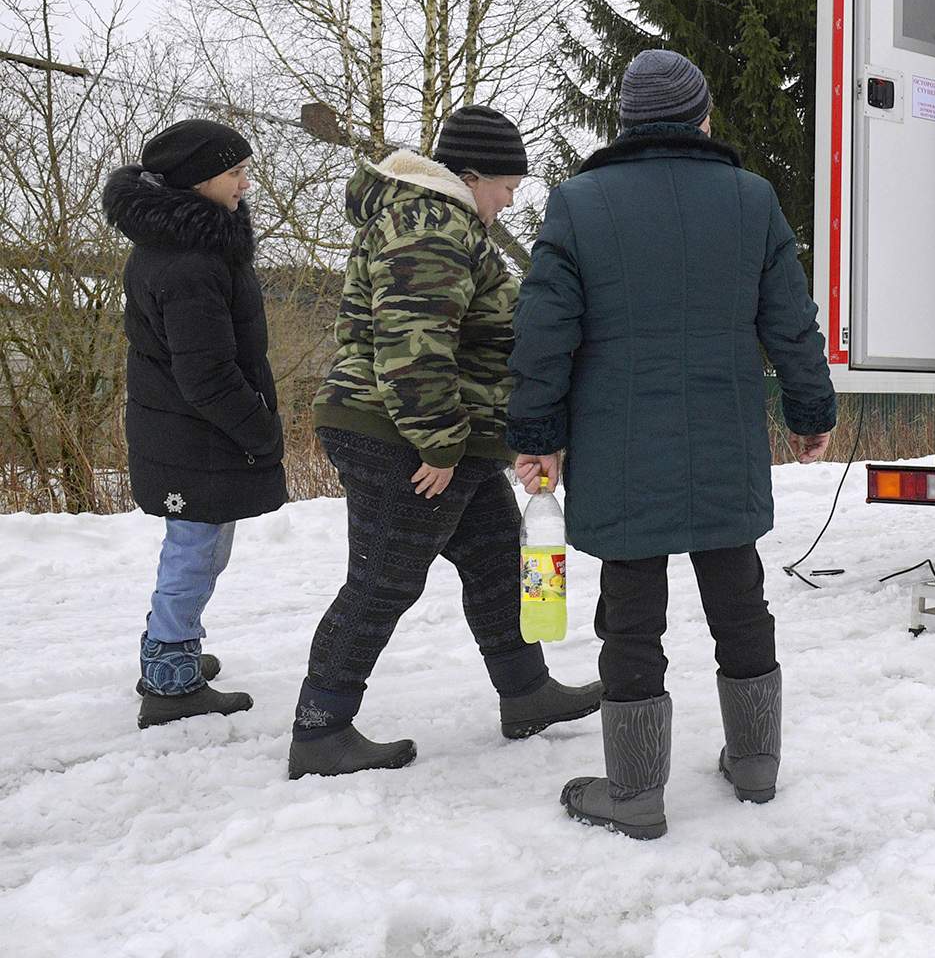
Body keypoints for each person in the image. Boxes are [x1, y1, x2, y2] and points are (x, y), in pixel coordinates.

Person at [507, 50, 836, 839]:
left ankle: (635, 794)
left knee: (629, 615)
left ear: (625, 122)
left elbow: (544, 332)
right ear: (702, 117)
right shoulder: (751, 199)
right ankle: (756, 767)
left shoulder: (579, 203)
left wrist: (537, 436)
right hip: (723, 434)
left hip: (618, 443)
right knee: (739, 597)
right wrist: (809, 409)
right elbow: (788, 321)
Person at [289, 105, 601, 779]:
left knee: (495, 557)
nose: (509, 202)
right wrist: (438, 443)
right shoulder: (431, 222)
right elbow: (413, 344)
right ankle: (321, 729)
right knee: (383, 580)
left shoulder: (439, 221)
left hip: (435, 432)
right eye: (505, 188)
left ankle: (527, 693)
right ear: (469, 176)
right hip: (402, 431)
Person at [107, 119, 286, 728]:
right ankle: (169, 682)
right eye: (233, 172)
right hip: (197, 437)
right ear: (198, 181)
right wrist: (261, 428)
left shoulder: (192, 248)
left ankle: (173, 650)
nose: (244, 183)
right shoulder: (189, 264)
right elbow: (207, 375)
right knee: (194, 553)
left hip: (189, 435)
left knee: (200, 550)